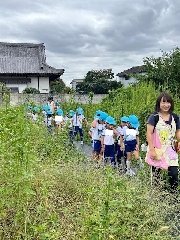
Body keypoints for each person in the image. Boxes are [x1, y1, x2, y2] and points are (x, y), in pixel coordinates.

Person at [145, 93, 180, 194]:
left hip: (170, 150)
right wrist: (151, 150)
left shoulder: (175, 117)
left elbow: (178, 131)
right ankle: (157, 199)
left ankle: (173, 199)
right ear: (159, 103)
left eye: (168, 102)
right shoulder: (154, 117)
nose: (166, 105)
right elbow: (149, 133)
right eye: (163, 102)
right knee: (157, 175)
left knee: (174, 175)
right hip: (157, 150)